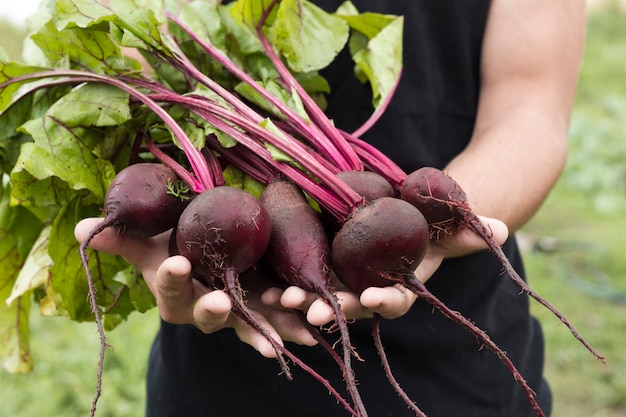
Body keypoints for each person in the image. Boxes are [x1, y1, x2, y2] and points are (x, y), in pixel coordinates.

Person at [75, 0, 586, 415]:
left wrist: (447, 220)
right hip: (229, 355)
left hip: (460, 358)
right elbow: (135, 41)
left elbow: (531, 109)